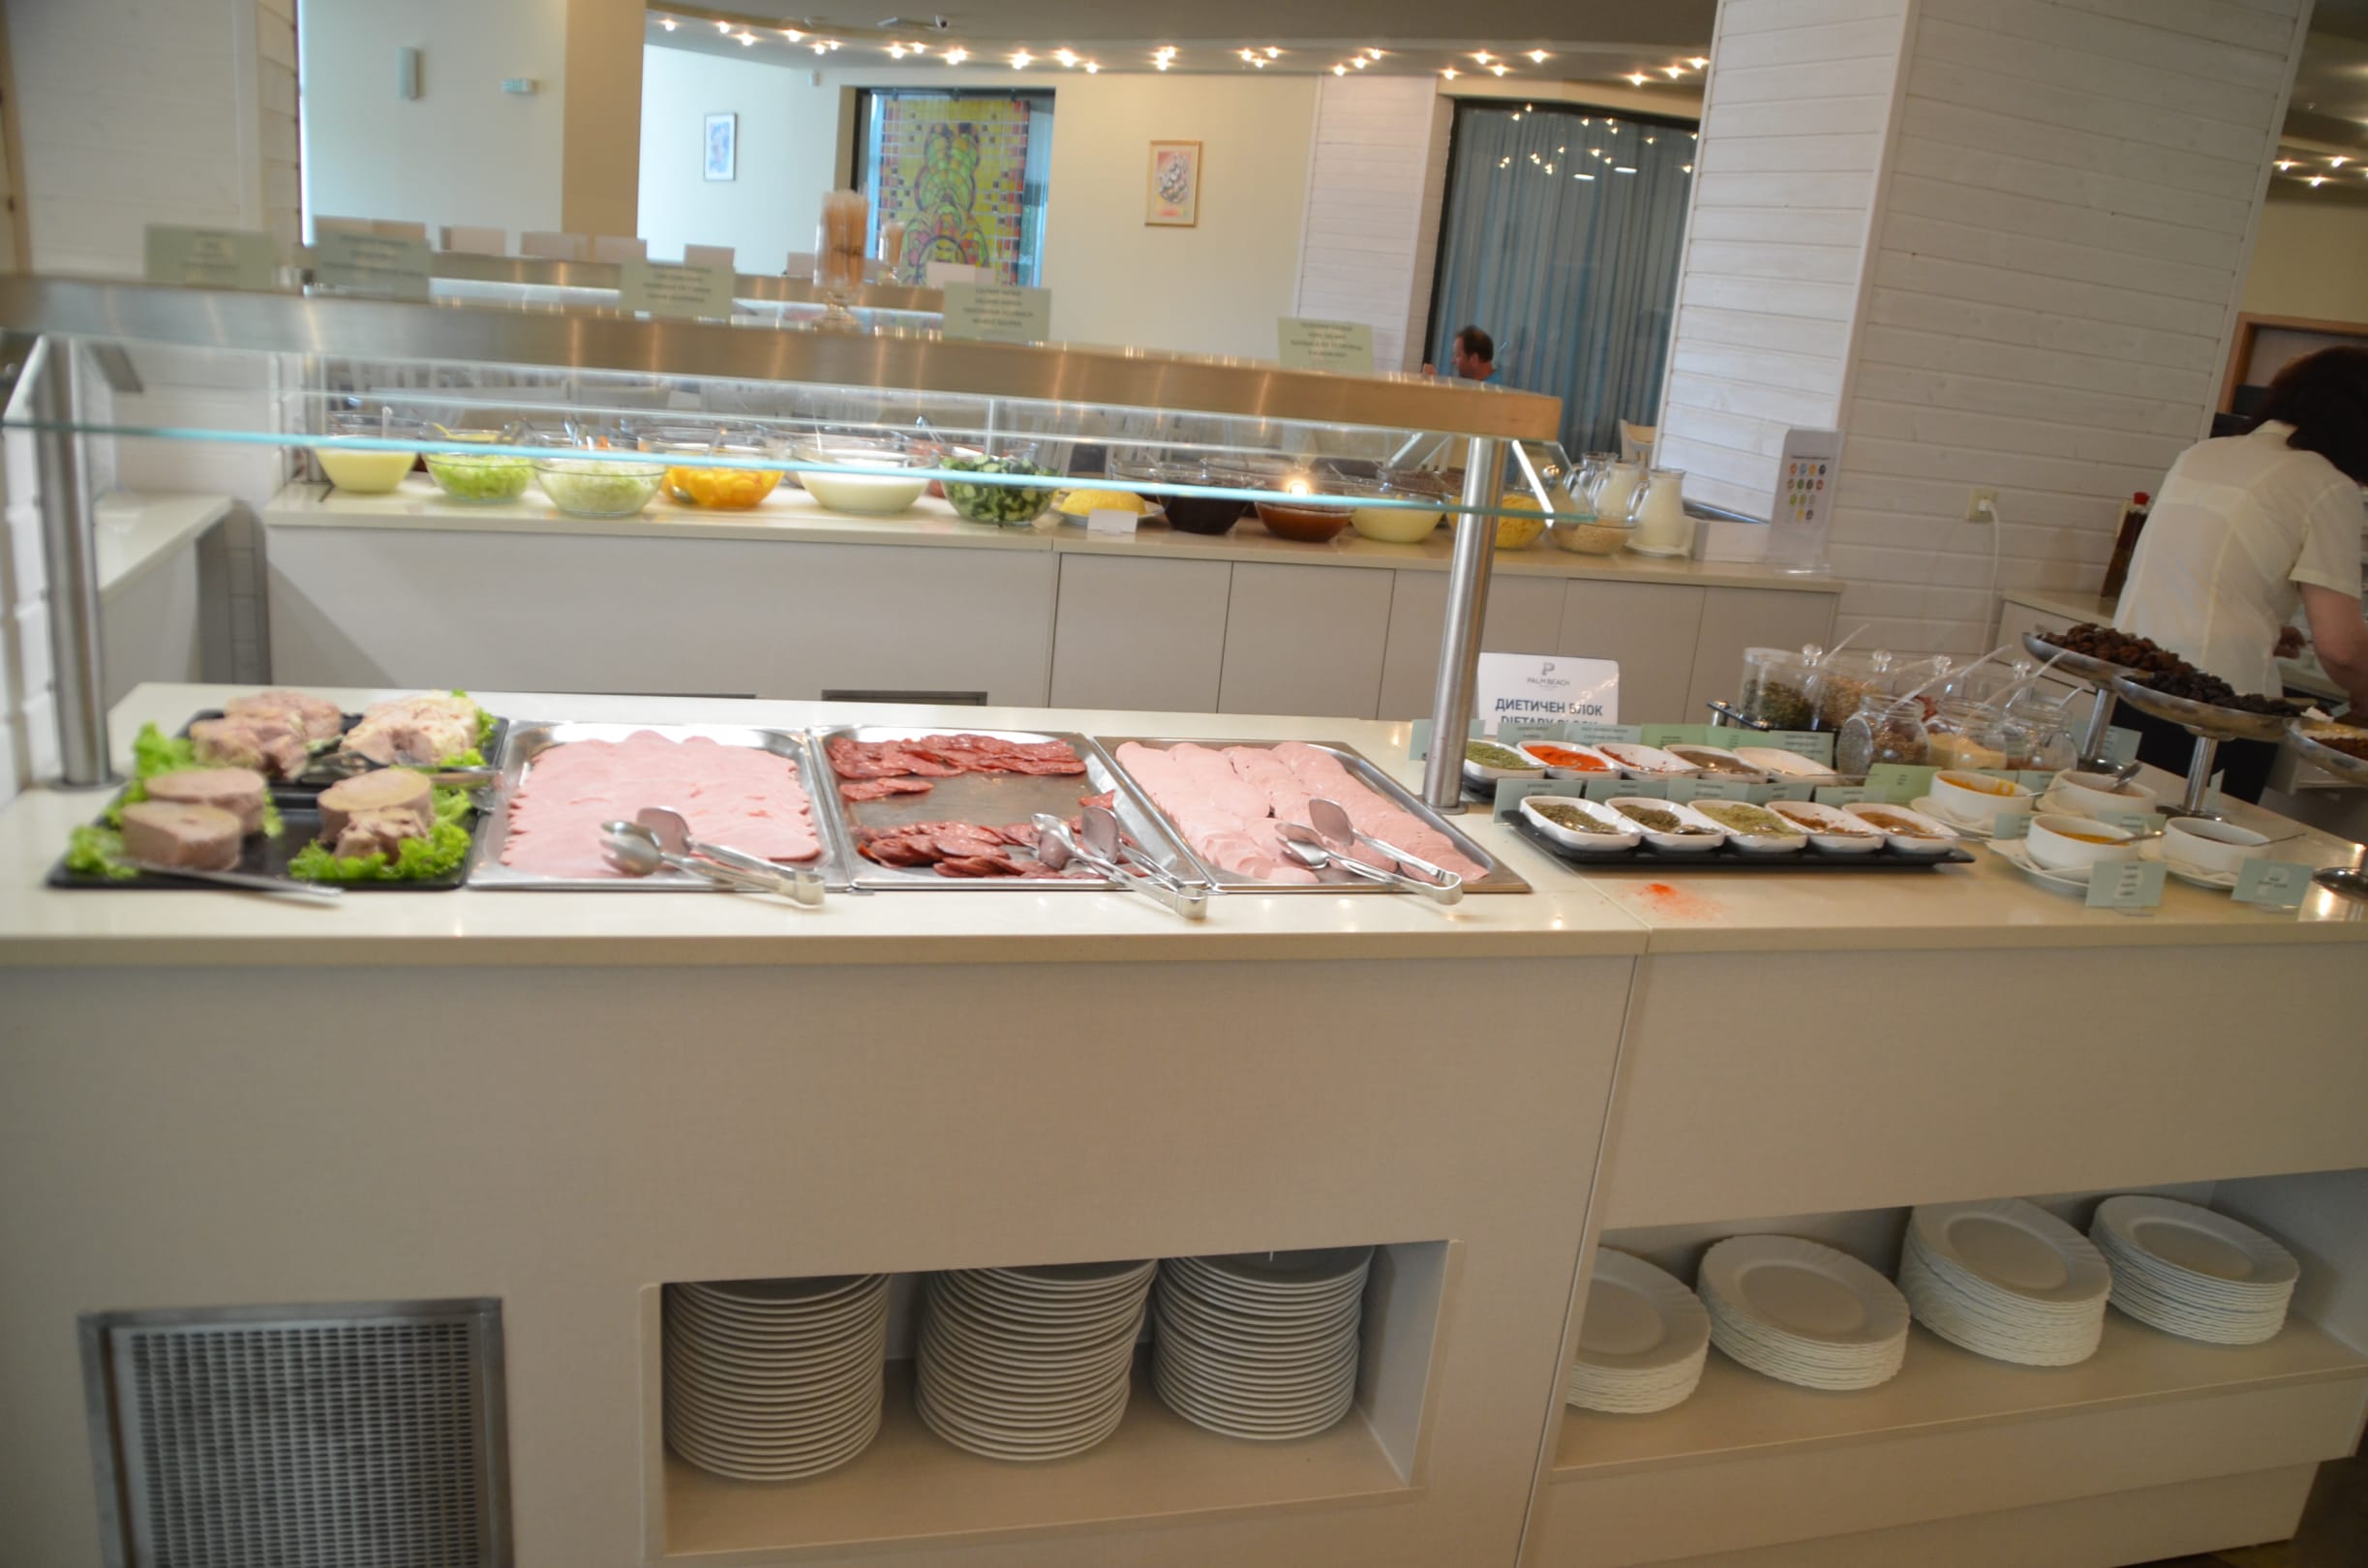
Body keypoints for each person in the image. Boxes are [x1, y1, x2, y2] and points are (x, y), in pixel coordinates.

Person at [2111, 346, 2368, 799]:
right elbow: (2342, 650)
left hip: (2135, 687)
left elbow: (2197, 572)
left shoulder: (2203, 454)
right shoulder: (2325, 484)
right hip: (2219, 710)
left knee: (2121, 814)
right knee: (2204, 835)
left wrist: (2256, 622)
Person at [1422, 326, 1497, 381]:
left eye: (1457, 356)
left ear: (1474, 359)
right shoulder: (1478, 385)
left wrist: (1434, 383)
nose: (1453, 361)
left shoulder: (1494, 392)